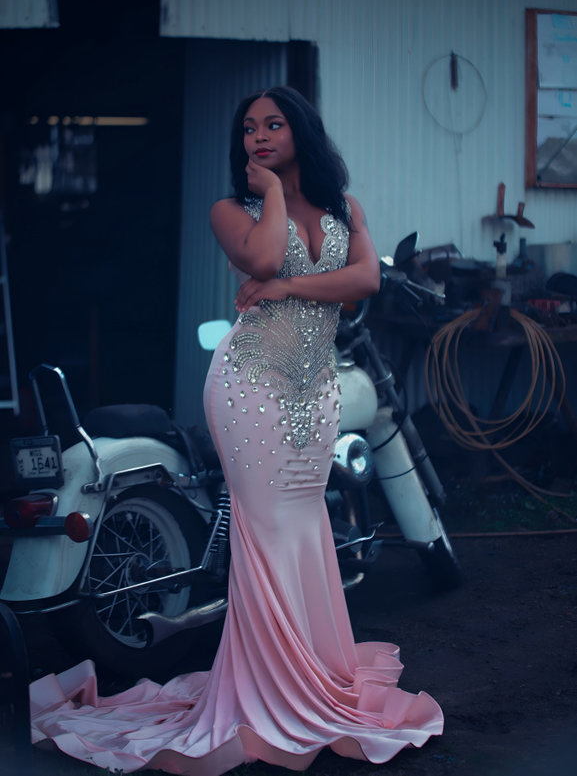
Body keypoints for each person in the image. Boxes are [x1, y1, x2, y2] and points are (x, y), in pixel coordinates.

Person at [29, 86, 443, 775]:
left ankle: (307, 675)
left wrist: (288, 289)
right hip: (249, 384)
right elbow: (262, 260)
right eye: (248, 128)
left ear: (300, 130)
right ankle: (270, 692)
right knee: (269, 528)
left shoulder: (344, 209)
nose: (259, 136)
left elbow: (365, 278)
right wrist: (273, 196)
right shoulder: (232, 210)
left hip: (314, 390)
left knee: (304, 523)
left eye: (273, 124)